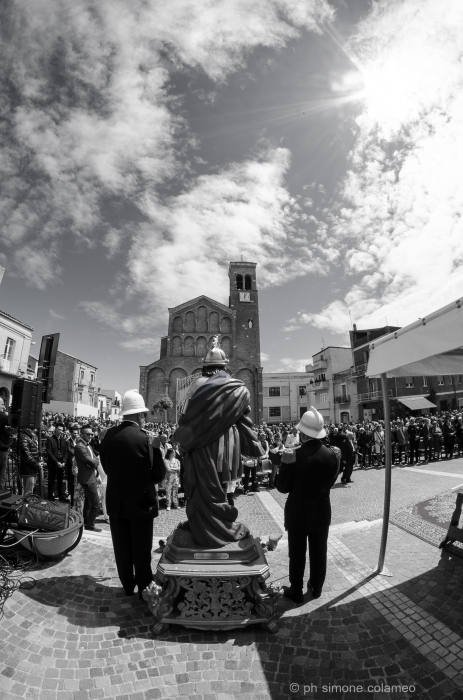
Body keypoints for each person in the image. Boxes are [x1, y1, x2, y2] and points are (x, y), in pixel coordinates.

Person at [174, 337, 264, 547]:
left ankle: (200, 522)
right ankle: (220, 521)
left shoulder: (198, 383)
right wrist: (255, 445)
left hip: (201, 443)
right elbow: (244, 418)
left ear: (205, 367)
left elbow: (186, 414)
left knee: (200, 485)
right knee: (222, 485)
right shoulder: (239, 387)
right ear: (225, 366)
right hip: (227, 442)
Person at [99, 390, 166, 599]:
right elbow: (158, 475)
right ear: (139, 415)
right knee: (141, 549)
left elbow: (106, 467)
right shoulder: (146, 439)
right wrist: (156, 449)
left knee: (122, 548)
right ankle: (146, 587)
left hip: (117, 502)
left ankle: (128, 586)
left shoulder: (108, 435)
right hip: (140, 503)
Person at [277, 406, 340, 604]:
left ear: (303, 433)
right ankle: (317, 586)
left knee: (296, 553)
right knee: (319, 551)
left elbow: (282, 487)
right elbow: (330, 481)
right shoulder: (332, 454)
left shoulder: (293, 454)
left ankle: (296, 590)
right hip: (321, 511)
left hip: (297, 513)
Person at [75, 424, 101, 531]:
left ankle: (86, 523)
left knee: (89, 503)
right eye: (88, 434)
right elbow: (91, 461)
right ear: (81, 434)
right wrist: (93, 462)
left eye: (91, 434)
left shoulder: (87, 445)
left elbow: (95, 459)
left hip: (90, 477)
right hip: (87, 479)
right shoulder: (80, 446)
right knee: (96, 505)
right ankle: (90, 525)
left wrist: (93, 462)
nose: (90, 436)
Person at [46, 422, 69, 501]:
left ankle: (61, 496)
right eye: (59, 429)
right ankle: (50, 496)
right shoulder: (50, 439)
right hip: (53, 463)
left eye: (61, 430)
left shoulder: (63, 439)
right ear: (55, 429)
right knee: (51, 481)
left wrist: (64, 462)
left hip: (61, 462)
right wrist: (56, 462)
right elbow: (49, 452)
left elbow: (65, 452)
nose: (60, 431)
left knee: (60, 480)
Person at [19, 427, 42, 495]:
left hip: (32, 469)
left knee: (30, 492)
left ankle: (28, 505)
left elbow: (33, 452)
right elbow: (27, 456)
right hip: (28, 470)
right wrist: (37, 465)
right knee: (28, 493)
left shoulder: (31, 436)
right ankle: (27, 505)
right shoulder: (24, 437)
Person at [66, 423, 80, 506]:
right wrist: (79, 453)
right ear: (71, 433)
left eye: (77, 433)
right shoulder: (68, 441)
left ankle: (77, 501)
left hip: (79, 466)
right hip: (71, 466)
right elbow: (70, 451)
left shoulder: (79, 441)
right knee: (71, 484)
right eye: (74, 433)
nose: (76, 435)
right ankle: (71, 502)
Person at [0, 407, 10, 489]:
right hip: (1, 450)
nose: (4, 406)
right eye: (2, 404)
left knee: (2, 476)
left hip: (3, 450)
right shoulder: (2, 416)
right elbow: (9, 419)